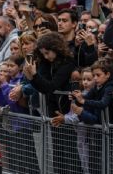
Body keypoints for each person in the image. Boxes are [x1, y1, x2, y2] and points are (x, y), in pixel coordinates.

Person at [23, 31, 81, 173]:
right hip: (53, 108)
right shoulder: (45, 61)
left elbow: (51, 86)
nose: (46, 56)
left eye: (48, 53)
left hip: (68, 110)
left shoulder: (67, 62)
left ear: (56, 49)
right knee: (57, 150)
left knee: (71, 153)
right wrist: (32, 78)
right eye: (43, 53)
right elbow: (43, 87)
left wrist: (35, 76)